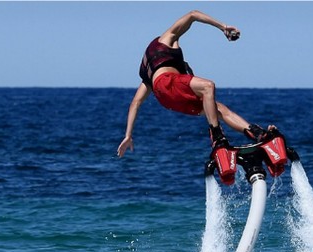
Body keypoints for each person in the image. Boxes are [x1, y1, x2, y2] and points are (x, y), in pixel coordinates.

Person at [117, 10, 277, 158]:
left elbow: (135, 103)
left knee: (218, 109)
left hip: (167, 99)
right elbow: (193, 14)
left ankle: (255, 133)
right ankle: (217, 136)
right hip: (167, 83)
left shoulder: (150, 69)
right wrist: (224, 27)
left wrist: (128, 135)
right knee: (208, 86)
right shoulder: (166, 39)